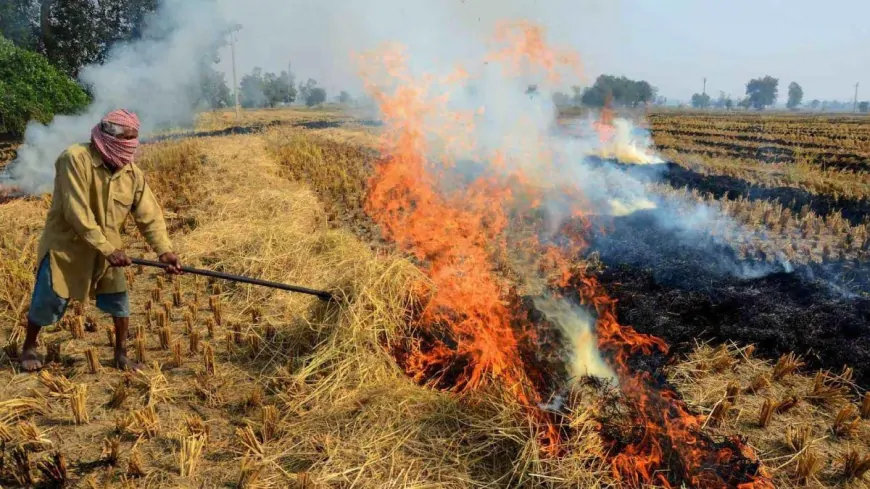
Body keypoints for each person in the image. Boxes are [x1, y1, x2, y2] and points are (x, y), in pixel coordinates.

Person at [19, 109, 182, 372]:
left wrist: (164, 251)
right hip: (66, 247)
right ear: (106, 138)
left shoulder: (131, 174)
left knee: (119, 302)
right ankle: (29, 347)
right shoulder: (74, 159)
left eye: (133, 140)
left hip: (107, 251)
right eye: (124, 140)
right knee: (47, 299)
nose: (128, 148)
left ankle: (121, 355)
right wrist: (107, 248)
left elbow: (148, 214)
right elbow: (76, 210)